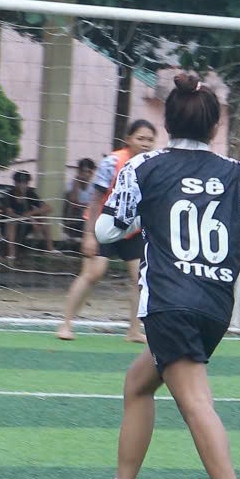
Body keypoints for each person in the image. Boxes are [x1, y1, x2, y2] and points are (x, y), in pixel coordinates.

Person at [82, 75, 240, 479]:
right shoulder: (235, 171)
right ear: (215, 126)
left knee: (195, 401)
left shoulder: (144, 166)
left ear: (167, 122)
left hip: (169, 301)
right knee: (138, 383)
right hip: (216, 305)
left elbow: (106, 231)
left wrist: (141, 222)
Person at [57, 121, 158, 342]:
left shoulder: (153, 164)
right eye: (140, 138)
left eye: (150, 140)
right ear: (128, 139)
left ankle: (134, 330)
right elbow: (95, 201)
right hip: (104, 225)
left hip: (131, 229)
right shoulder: (112, 162)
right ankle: (66, 324)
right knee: (93, 273)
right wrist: (89, 235)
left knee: (141, 278)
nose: (145, 143)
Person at [0, 169, 48, 266]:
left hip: (26, 224)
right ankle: (11, 255)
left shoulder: (30, 194)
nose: (23, 185)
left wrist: (31, 213)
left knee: (45, 217)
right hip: (7, 226)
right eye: (20, 182)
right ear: (15, 183)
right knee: (12, 222)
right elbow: (10, 213)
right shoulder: (8, 194)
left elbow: (47, 208)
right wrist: (30, 218)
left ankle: (50, 249)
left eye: (25, 183)